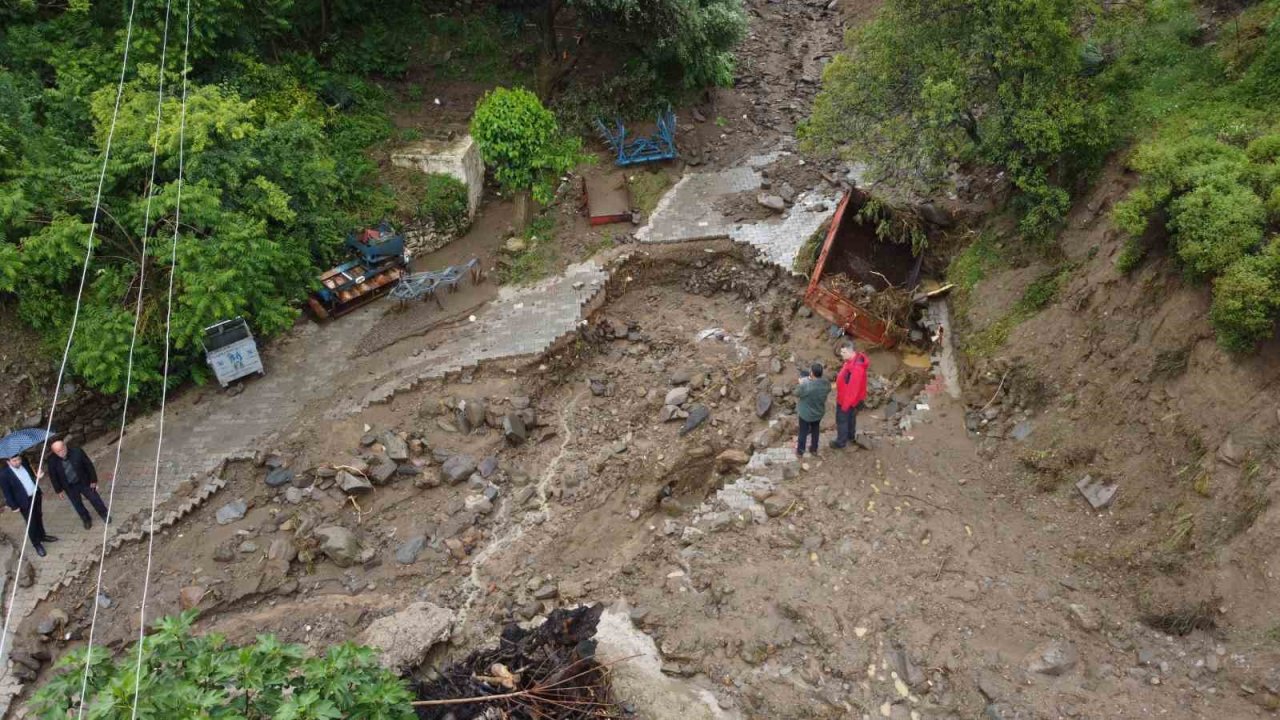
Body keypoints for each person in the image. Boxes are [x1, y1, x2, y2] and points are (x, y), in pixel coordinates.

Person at [0, 454, 58, 557]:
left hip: (35, 495)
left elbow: (32, 478)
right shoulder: (4, 474)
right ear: (8, 462)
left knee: (39, 516)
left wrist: (38, 477)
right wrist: (14, 506)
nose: (18, 462)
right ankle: (37, 544)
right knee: (31, 522)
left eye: (19, 459)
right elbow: (7, 492)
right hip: (24, 501)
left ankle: (42, 536)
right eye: (14, 461)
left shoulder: (25, 463)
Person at [47, 440, 109, 530]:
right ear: (54, 452)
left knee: (94, 498)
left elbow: (89, 465)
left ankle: (104, 513)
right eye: (58, 451)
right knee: (77, 504)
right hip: (69, 486)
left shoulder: (77, 452)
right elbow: (53, 476)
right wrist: (58, 490)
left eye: (62, 449)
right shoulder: (51, 460)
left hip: (84, 481)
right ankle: (86, 519)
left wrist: (93, 480)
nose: (61, 452)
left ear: (65, 446)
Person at [830, 343, 870, 449]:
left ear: (851, 352)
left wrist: (845, 405)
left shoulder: (856, 369)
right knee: (851, 418)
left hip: (846, 400)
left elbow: (853, 390)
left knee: (842, 420)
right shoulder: (852, 361)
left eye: (844, 352)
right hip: (851, 400)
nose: (841, 354)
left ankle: (840, 442)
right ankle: (850, 436)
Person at [794, 362, 831, 457]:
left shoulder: (806, 386)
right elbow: (827, 388)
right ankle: (814, 449)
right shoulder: (826, 384)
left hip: (805, 414)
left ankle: (800, 451)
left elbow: (796, 393)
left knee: (803, 432)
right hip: (818, 413)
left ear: (811, 373)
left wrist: (801, 383)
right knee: (815, 430)